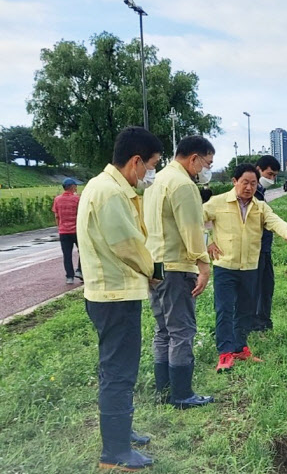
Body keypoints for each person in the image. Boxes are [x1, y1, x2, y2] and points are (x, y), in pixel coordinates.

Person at [77, 126, 163, 471]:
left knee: (119, 368)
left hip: (111, 293)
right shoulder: (110, 193)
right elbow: (128, 245)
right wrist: (156, 272)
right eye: (152, 165)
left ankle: (121, 430)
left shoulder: (108, 187)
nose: (150, 173)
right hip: (113, 296)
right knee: (118, 371)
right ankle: (114, 452)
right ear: (136, 161)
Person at [204, 163, 287, 373]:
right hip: (225, 267)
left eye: (253, 183)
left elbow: (275, 221)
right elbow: (194, 221)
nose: (249, 187)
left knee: (246, 309)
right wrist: (208, 241)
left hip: (249, 267)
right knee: (224, 309)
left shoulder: (259, 207)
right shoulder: (218, 202)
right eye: (245, 182)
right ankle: (225, 353)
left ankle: (240, 347)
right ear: (235, 182)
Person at [144, 136, 215, 410]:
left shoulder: (157, 180)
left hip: (156, 264)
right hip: (175, 265)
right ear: (193, 158)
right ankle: (182, 394)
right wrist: (204, 265)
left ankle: (164, 390)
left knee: (163, 330)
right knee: (182, 330)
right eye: (206, 163)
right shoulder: (183, 184)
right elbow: (192, 229)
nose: (205, 169)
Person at [252, 155, 280, 332]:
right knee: (259, 287)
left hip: (264, 247)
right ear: (258, 169)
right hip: (257, 248)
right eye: (269, 174)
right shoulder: (253, 193)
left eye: (274, 175)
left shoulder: (261, 192)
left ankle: (262, 321)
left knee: (266, 285)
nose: (272, 179)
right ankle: (258, 323)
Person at [52, 177, 82, 284]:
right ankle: (80, 271)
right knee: (83, 252)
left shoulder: (57, 199)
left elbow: (56, 215)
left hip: (64, 231)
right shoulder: (77, 199)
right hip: (77, 230)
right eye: (76, 186)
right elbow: (80, 214)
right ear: (72, 187)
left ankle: (69, 277)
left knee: (67, 255)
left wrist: (59, 227)